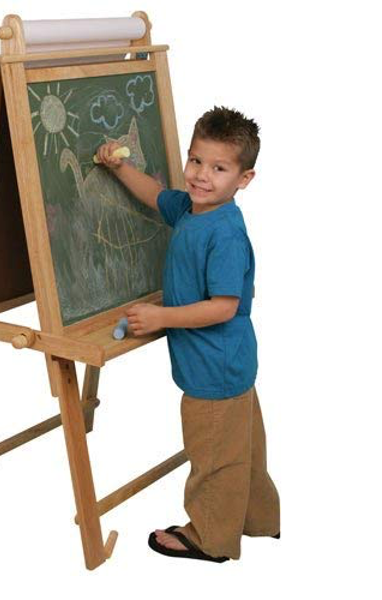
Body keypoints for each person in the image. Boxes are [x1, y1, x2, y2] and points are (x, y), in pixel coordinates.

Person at [94, 107, 280, 562]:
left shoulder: (224, 233)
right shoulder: (191, 210)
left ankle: (210, 538)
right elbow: (156, 195)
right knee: (243, 449)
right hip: (229, 363)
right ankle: (257, 519)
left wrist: (162, 317)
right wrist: (119, 168)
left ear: (244, 178)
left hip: (213, 367)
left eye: (219, 168)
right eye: (196, 161)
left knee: (214, 456)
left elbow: (223, 306)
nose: (201, 175)